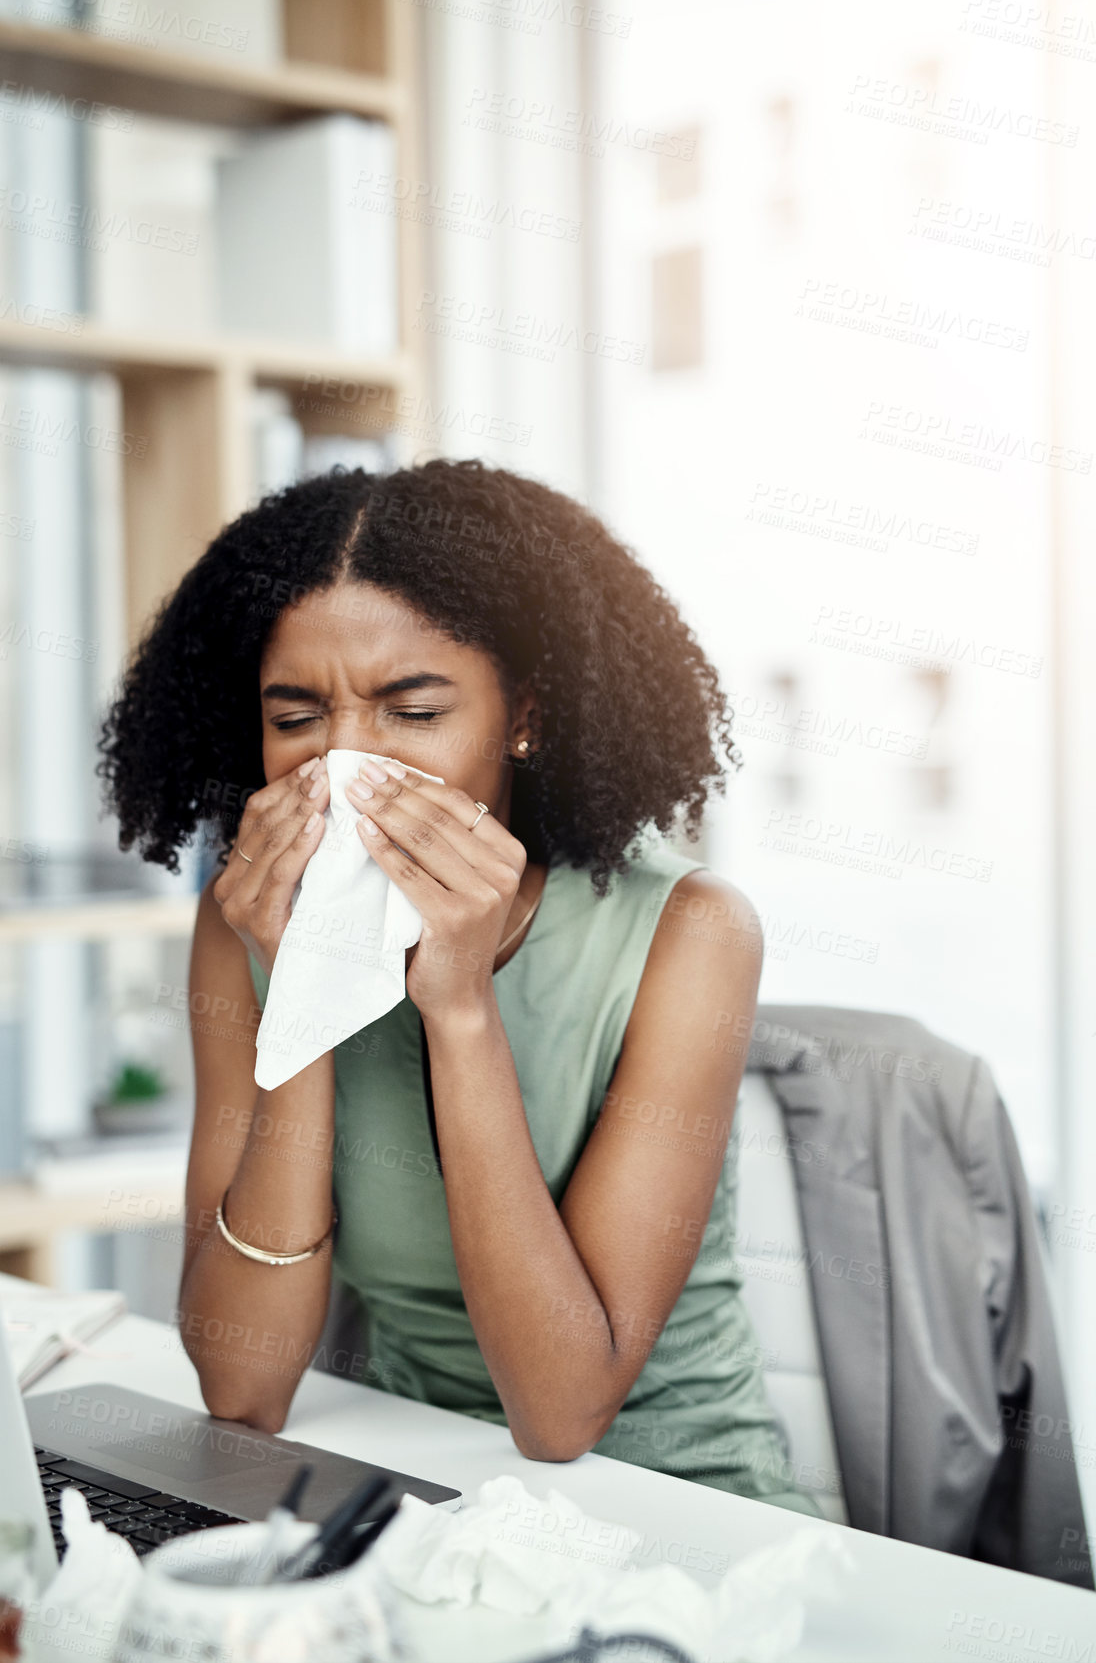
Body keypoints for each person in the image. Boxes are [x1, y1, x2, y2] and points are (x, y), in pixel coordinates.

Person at [97, 457, 820, 1517]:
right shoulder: (244, 923)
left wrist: (461, 1006)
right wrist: (305, 984)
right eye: (296, 718)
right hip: (409, 1492)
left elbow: (561, 1412)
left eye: (411, 709)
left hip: (674, 1507)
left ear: (521, 715)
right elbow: (241, 1387)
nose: (344, 763)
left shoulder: (692, 931)